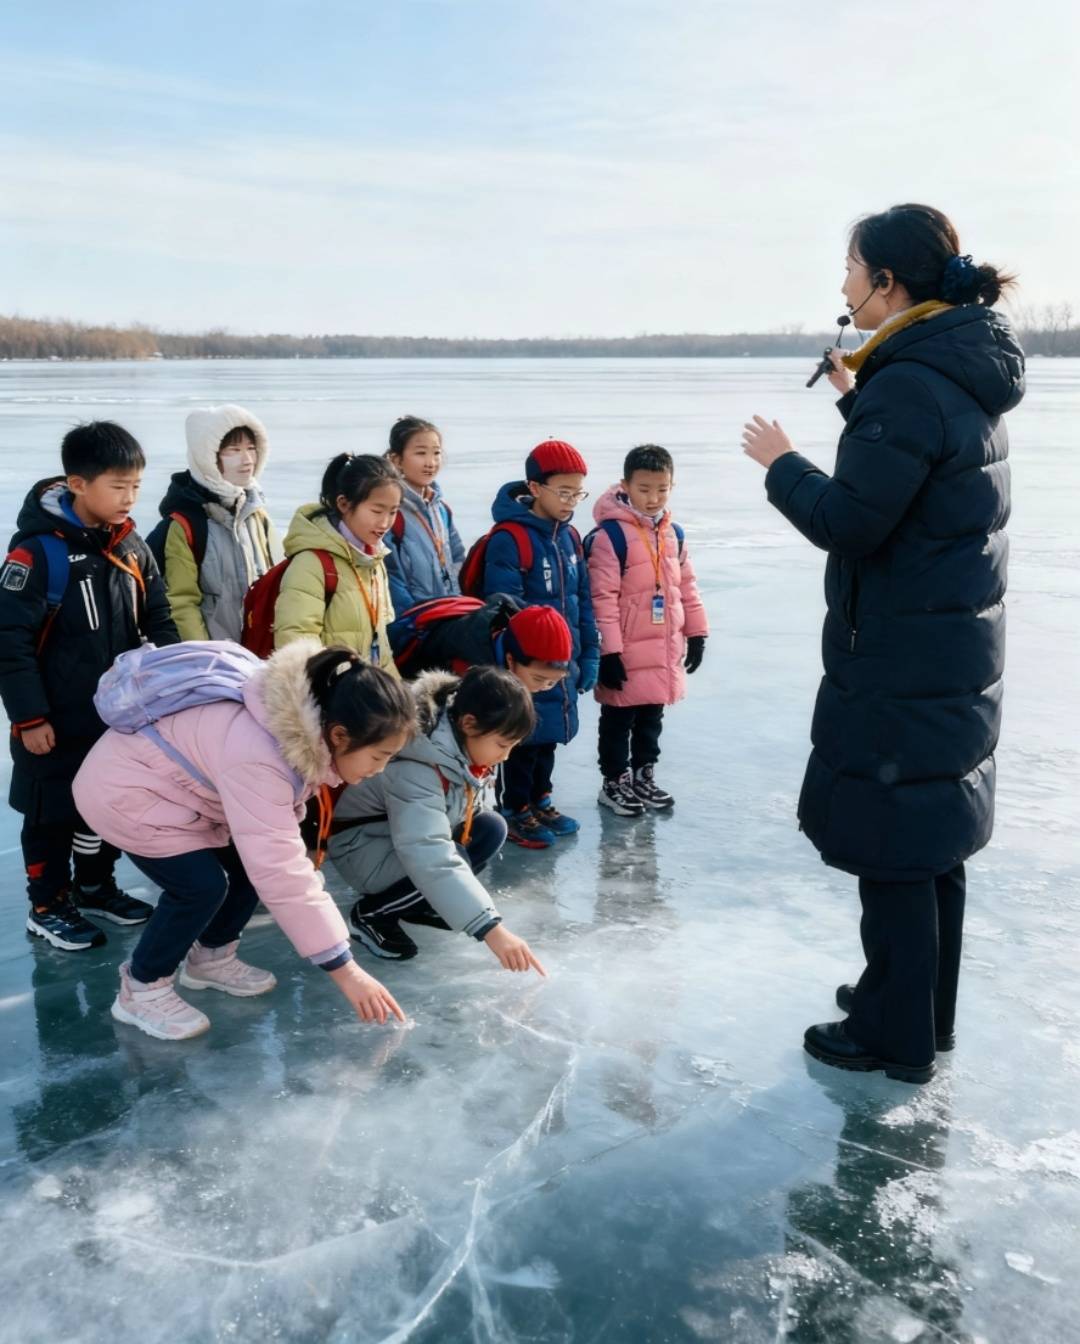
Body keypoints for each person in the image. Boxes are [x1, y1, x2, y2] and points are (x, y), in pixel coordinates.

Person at [741, 203, 1023, 1084]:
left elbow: (853, 521)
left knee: (898, 852)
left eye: (853, 268)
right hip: (949, 650)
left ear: (888, 282)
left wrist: (783, 463)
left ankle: (891, 1038)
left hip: (905, 656)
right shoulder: (954, 371)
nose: (844, 286)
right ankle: (916, 1011)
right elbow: (919, 471)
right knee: (932, 844)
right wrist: (857, 402)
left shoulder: (909, 383)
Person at [72, 641, 414, 1040]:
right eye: (378, 756)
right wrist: (346, 970)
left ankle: (211, 958)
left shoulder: (298, 735)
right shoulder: (261, 753)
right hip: (127, 796)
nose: (381, 769)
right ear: (339, 734)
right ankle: (141, 987)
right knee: (200, 887)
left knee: (245, 871)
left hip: (180, 793)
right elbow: (279, 866)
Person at [0, 421, 180, 952]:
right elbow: (7, 641)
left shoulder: (131, 548)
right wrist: (30, 719)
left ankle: (95, 886)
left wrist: (172, 685)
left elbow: (161, 617)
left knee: (105, 805)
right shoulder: (37, 556)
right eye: (117, 486)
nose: (129, 498)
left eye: (136, 488)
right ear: (78, 483)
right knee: (50, 814)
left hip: (116, 717)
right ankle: (47, 903)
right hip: (53, 723)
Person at [330, 664, 547, 973]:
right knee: (451, 854)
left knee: (490, 828)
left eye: (513, 746)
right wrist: (491, 929)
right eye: (502, 744)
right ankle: (371, 915)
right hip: (362, 848)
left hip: (395, 839)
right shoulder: (417, 764)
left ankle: (421, 903)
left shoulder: (467, 749)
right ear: (469, 723)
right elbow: (428, 852)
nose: (506, 756)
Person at [481, 439, 600, 848]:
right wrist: (524, 662)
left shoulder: (569, 539)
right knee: (521, 740)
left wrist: (589, 654)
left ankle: (540, 798)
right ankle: (515, 807)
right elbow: (505, 607)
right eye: (563, 492)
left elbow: (583, 601)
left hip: (562, 663)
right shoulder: (510, 539)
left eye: (577, 493)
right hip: (528, 665)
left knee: (548, 735)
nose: (571, 502)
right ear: (535, 488)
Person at [587, 444, 709, 816]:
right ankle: (614, 782)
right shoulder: (611, 536)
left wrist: (697, 631)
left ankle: (644, 775)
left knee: (651, 718)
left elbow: (686, 586)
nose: (653, 498)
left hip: (661, 645)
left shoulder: (674, 534)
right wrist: (609, 651)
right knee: (617, 718)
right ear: (625, 485)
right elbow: (601, 598)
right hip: (624, 649)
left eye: (662, 489)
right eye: (644, 489)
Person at [150, 404, 282, 642]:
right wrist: (203, 660)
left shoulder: (257, 515)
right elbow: (181, 603)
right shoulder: (185, 525)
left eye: (251, 448)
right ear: (208, 457)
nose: (247, 460)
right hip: (214, 665)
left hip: (258, 656)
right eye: (233, 450)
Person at [274, 453, 401, 674]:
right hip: (330, 698)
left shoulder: (374, 560)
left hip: (368, 695)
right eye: (377, 511)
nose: (385, 523)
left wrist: (396, 696)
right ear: (344, 503)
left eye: (393, 512)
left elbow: (382, 651)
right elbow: (294, 646)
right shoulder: (312, 564)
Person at [390, 590, 573, 697]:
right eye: (539, 679)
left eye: (553, 682)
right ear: (510, 659)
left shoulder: (510, 645)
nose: (543, 687)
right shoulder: (469, 668)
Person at [383, 415, 465, 612]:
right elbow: (391, 576)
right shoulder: (392, 512)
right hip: (414, 622)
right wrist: (414, 621)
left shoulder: (441, 509)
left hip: (447, 615)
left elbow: (458, 559)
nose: (431, 462)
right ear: (396, 460)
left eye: (436, 453)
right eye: (420, 453)